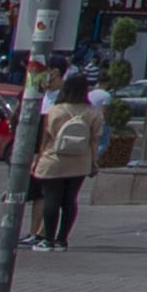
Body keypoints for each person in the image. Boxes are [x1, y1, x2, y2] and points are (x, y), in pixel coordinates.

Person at [29, 74, 99, 249]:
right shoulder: (92, 112)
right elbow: (94, 139)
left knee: (51, 198)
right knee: (70, 200)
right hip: (80, 160)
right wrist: (94, 161)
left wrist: (38, 157)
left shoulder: (57, 110)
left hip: (55, 158)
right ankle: (62, 239)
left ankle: (48, 239)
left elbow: (46, 136)